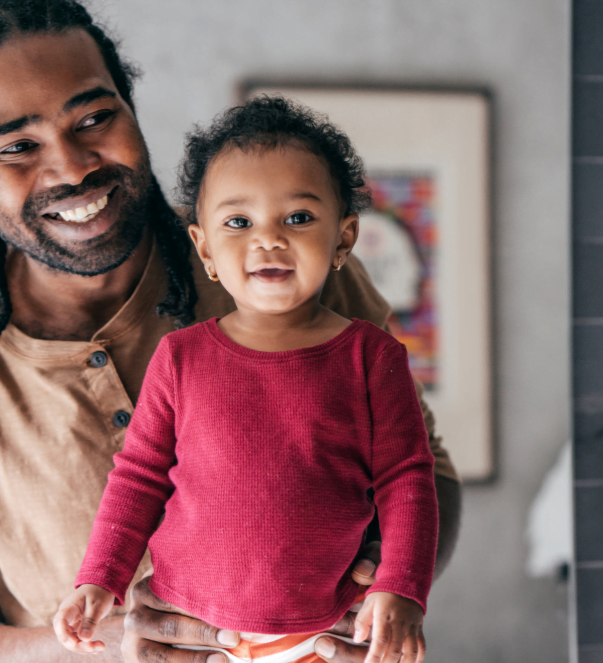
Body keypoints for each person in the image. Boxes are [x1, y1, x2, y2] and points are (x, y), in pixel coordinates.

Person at [0, 2, 461, 662]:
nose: (72, 167)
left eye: (94, 119)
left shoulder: (286, 264)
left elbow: (423, 472)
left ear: (131, 109)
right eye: (17, 147)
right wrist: (88, 645)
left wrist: (383, 585)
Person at [54, 97, 436, 663]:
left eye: (298, 218)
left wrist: (402, 586)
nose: (268, 239)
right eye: (238, 222)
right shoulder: (179, 357)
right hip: (188, 627)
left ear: (344, 238)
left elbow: (407, 479)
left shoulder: (373, 356)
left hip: (325, 633)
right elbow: (138, 477)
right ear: (205, 248)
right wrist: (99, 578)